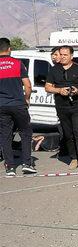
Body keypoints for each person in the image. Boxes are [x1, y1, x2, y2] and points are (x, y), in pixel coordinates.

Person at [45, 46, 78, 171]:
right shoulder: (54, 70)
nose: (63, 57)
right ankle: (74, 158)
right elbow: (48, 87)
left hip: (77, 105)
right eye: (61, 54)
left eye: (65, 55)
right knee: (68, 133)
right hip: (61, 106)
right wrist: (59, 90)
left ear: (71, 56)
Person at [0, 37, 35, 176]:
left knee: (5, 135)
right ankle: (27, 163)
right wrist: (26, 98)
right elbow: (28, 85)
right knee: (25, 133)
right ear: (9, 49)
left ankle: (10, 167)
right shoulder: (18, 63)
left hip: (1, 106)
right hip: (18, 104)